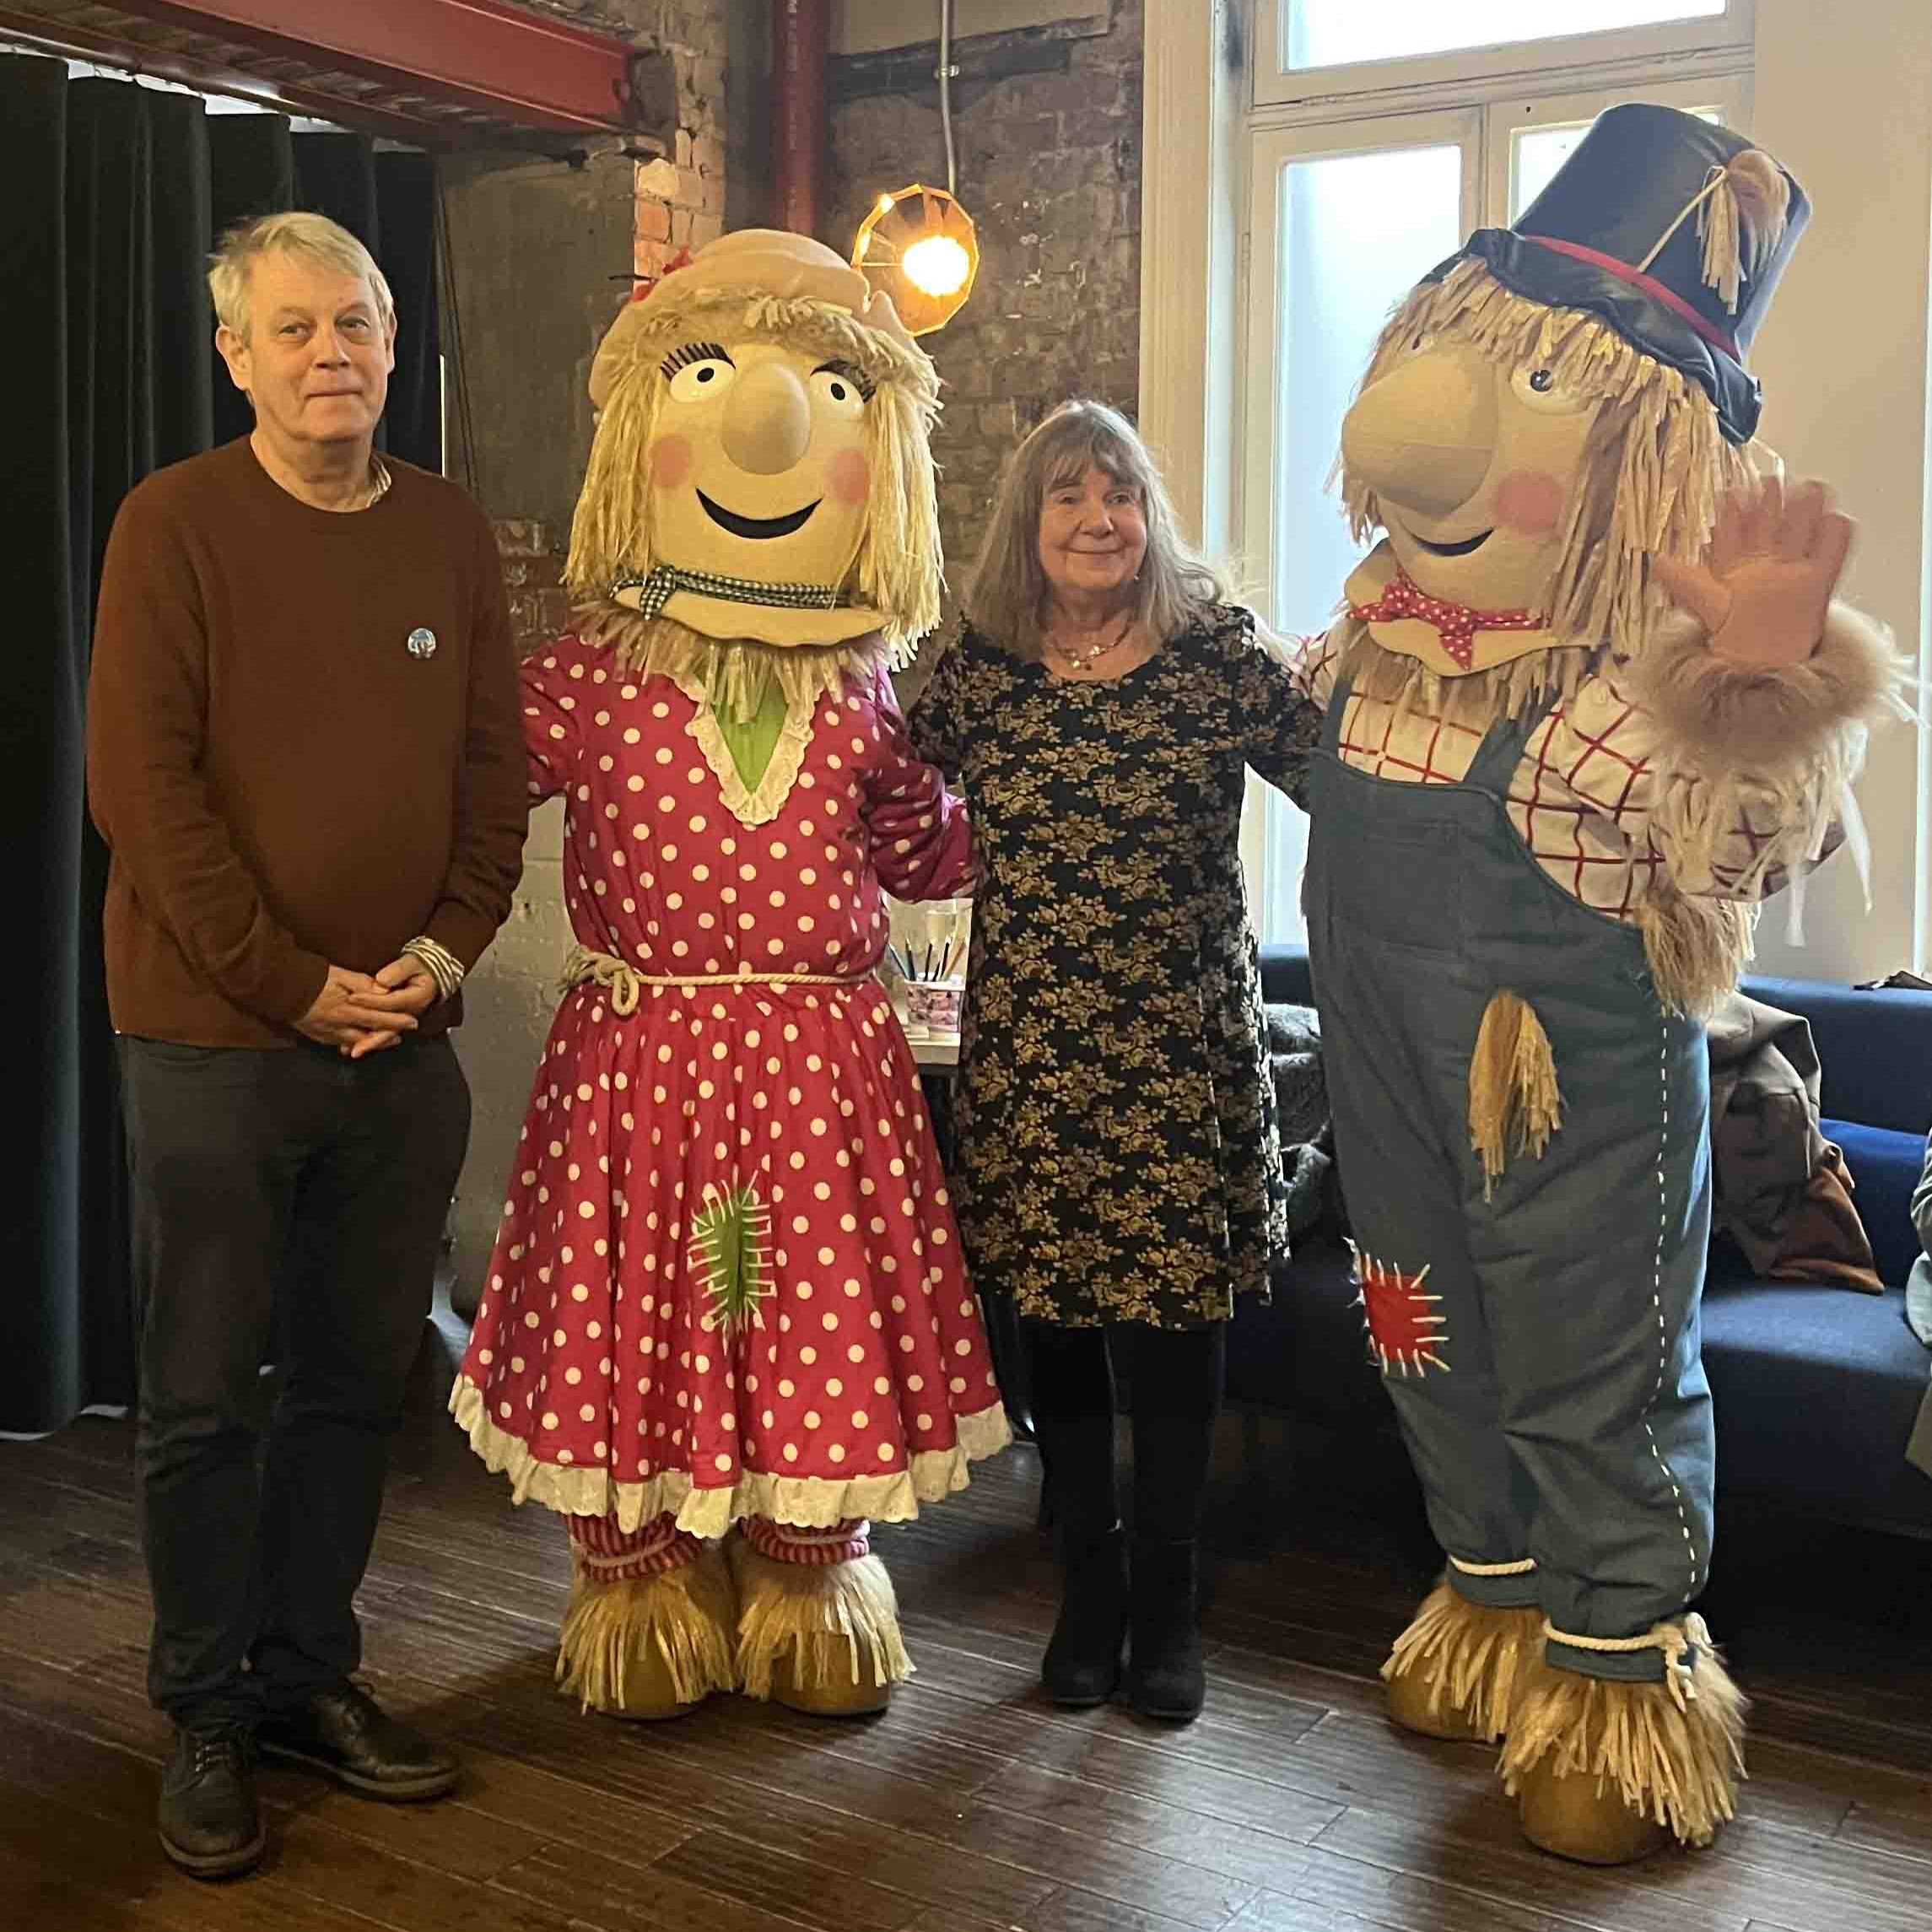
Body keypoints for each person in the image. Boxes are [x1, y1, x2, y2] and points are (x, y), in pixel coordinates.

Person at [449, 229, 1009, 1725]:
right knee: (641, 1312)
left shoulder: (869, 692)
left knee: (802, 1316)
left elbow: (928, 855)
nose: (765, 426)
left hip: (823, 1062)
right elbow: (462, 790)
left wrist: (1036, 757)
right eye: (707, 380)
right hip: (640, 1054)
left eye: (826, 392)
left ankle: (807, 1566)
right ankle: (636, 1581)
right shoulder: (584, 679)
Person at [86, 211, 527, 1879]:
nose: (328, 350)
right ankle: (199, 1704)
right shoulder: (172, 525)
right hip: (213, 1037)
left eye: (354, 321)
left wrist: (430, 956)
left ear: (392, 342)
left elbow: (494, 784)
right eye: (292, 328)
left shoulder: (447, 532)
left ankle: (302, 1675)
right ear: (235, 354)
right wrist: (290, 981)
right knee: (203, 1394)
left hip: (402, 1037)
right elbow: (146, 791)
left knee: (353, 1385)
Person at [907, 401, 1321, 1723]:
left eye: (1120, 495)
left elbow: (1353, 787)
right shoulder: (975, 671)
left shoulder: (1219, 658)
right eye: (1068, 497)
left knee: (1172, 1329)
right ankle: (1083, 1591)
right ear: (1026, 526)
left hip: (1181, 1046)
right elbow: (861, 776)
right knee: (1058, 1326)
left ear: (1150, 517)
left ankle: (1166, 1597)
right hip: (1032, 1047)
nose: (1097, 519)